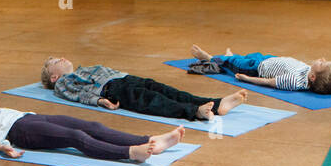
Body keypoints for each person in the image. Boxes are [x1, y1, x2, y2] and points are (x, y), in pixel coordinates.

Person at [0, 96, 184, 162]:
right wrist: (2, 147)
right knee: (75, 137)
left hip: (30, 118)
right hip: (20, 132)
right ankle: (131, 152)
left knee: (89, 124)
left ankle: (151, 140)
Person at [41, 57, 247, 121]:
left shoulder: (82, 68)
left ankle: (217, 104)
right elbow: (75, 94)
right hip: (111, 89)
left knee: (166, 90)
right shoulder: (63, 82)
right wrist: (98, 101)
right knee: (152, 100)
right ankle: (195, 112)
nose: (61, 58)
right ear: (54, 76)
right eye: (54, 61)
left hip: (124, 78)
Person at [189, 44, 331, 95]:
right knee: (244, 57)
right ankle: (231, 57)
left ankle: (209, 57)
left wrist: (247, 79)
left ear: (313, 77)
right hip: (267, 59)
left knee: (232, 62)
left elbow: (269, 82)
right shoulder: (310, 72)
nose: (321, 59)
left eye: (322, 63)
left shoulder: (295, 81)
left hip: (256, 69)